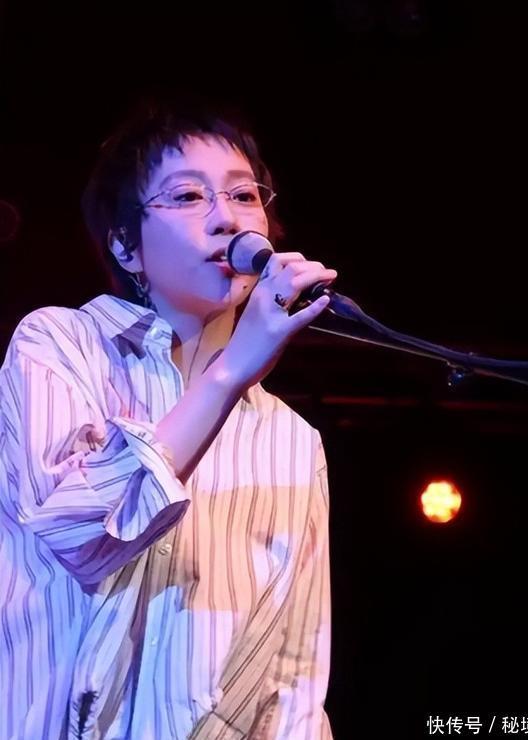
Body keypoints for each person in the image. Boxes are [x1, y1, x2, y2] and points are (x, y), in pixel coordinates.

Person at [0, 94, 337, 739]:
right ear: (126, 246)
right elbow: (82, 535)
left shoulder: (293, 440)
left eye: (244, 195)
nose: (226, 219)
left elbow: (294, 671)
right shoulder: (61, 345)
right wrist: (229, 374)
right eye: (187, 196)